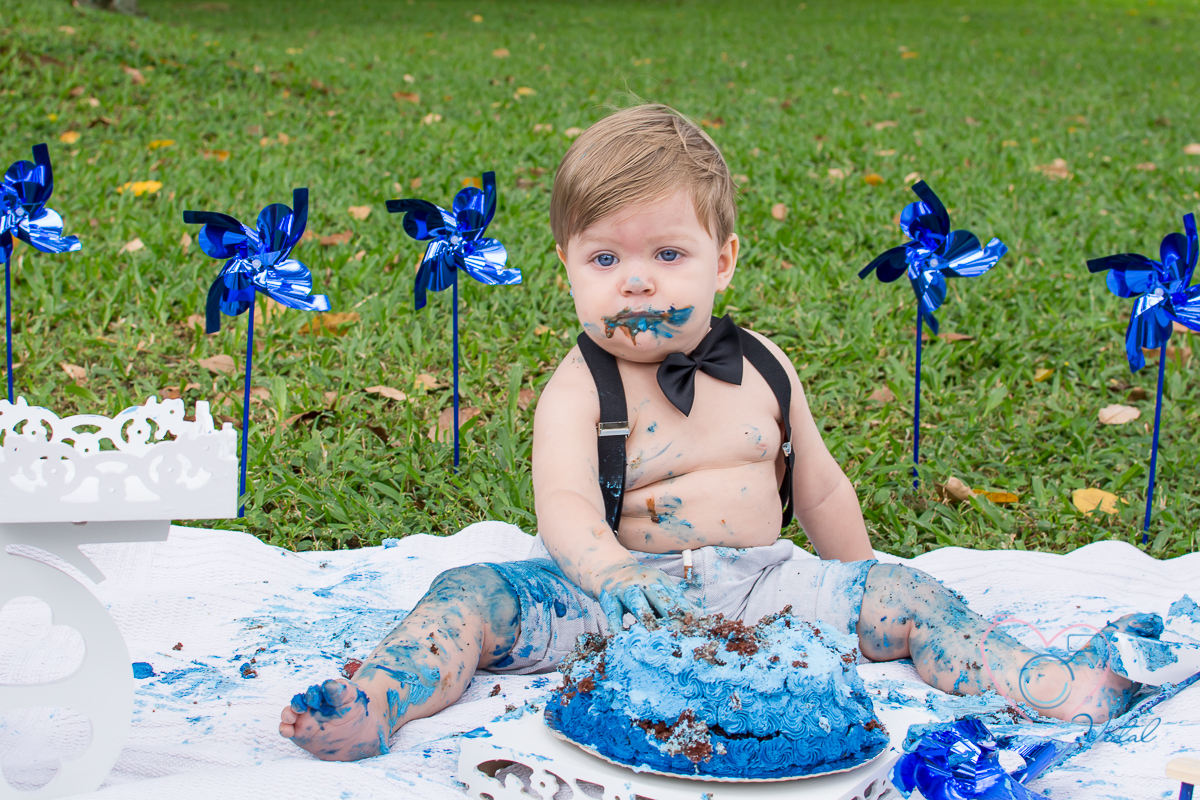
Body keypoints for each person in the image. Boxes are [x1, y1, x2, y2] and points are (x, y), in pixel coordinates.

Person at [279, 104, 1155, 762]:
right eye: (605, 259)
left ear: (723, 260)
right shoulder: (577, 387)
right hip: (611, 601)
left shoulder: (766, 365)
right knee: (468, 589)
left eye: (668, 256)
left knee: (920, 600)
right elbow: (565, 506)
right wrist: (612, 573)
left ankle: (1043, 680)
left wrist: (866, 583)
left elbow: (818, 487)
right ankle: (376, 698)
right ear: (567, 271)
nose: (636, 284)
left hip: (769, 592)